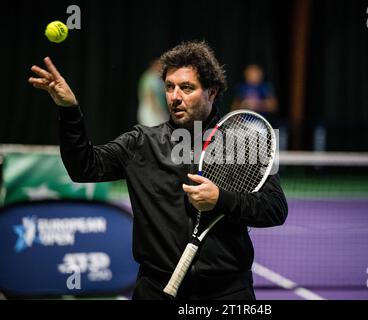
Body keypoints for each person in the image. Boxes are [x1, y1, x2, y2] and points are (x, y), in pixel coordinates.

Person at [28, 41, 288, 300]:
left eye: (187, 88)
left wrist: (222, 199)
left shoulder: (243, 142)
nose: (175, 96)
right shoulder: (141, 142)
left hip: (228, 291)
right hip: (156, 289)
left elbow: (274, 208)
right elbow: (83, 168)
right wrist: (69, 110)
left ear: (212, 92)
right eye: (169, 87)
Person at [231, 64, 288, 150]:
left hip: (260, 124)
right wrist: (242, 106)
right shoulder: (242, 88)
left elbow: (273, 105)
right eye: (251, 73)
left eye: (255, 73)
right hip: (243, 124)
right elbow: (235, 108)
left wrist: (257, 104)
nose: (253, 76)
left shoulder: (265, 87)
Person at [137, 59, 169, 127]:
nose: (161, 68)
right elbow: (149, 96)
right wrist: (157, 111)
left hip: (160, 110)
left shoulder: (160, 79)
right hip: (150, 111)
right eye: (159, 66)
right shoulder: (149, 78)